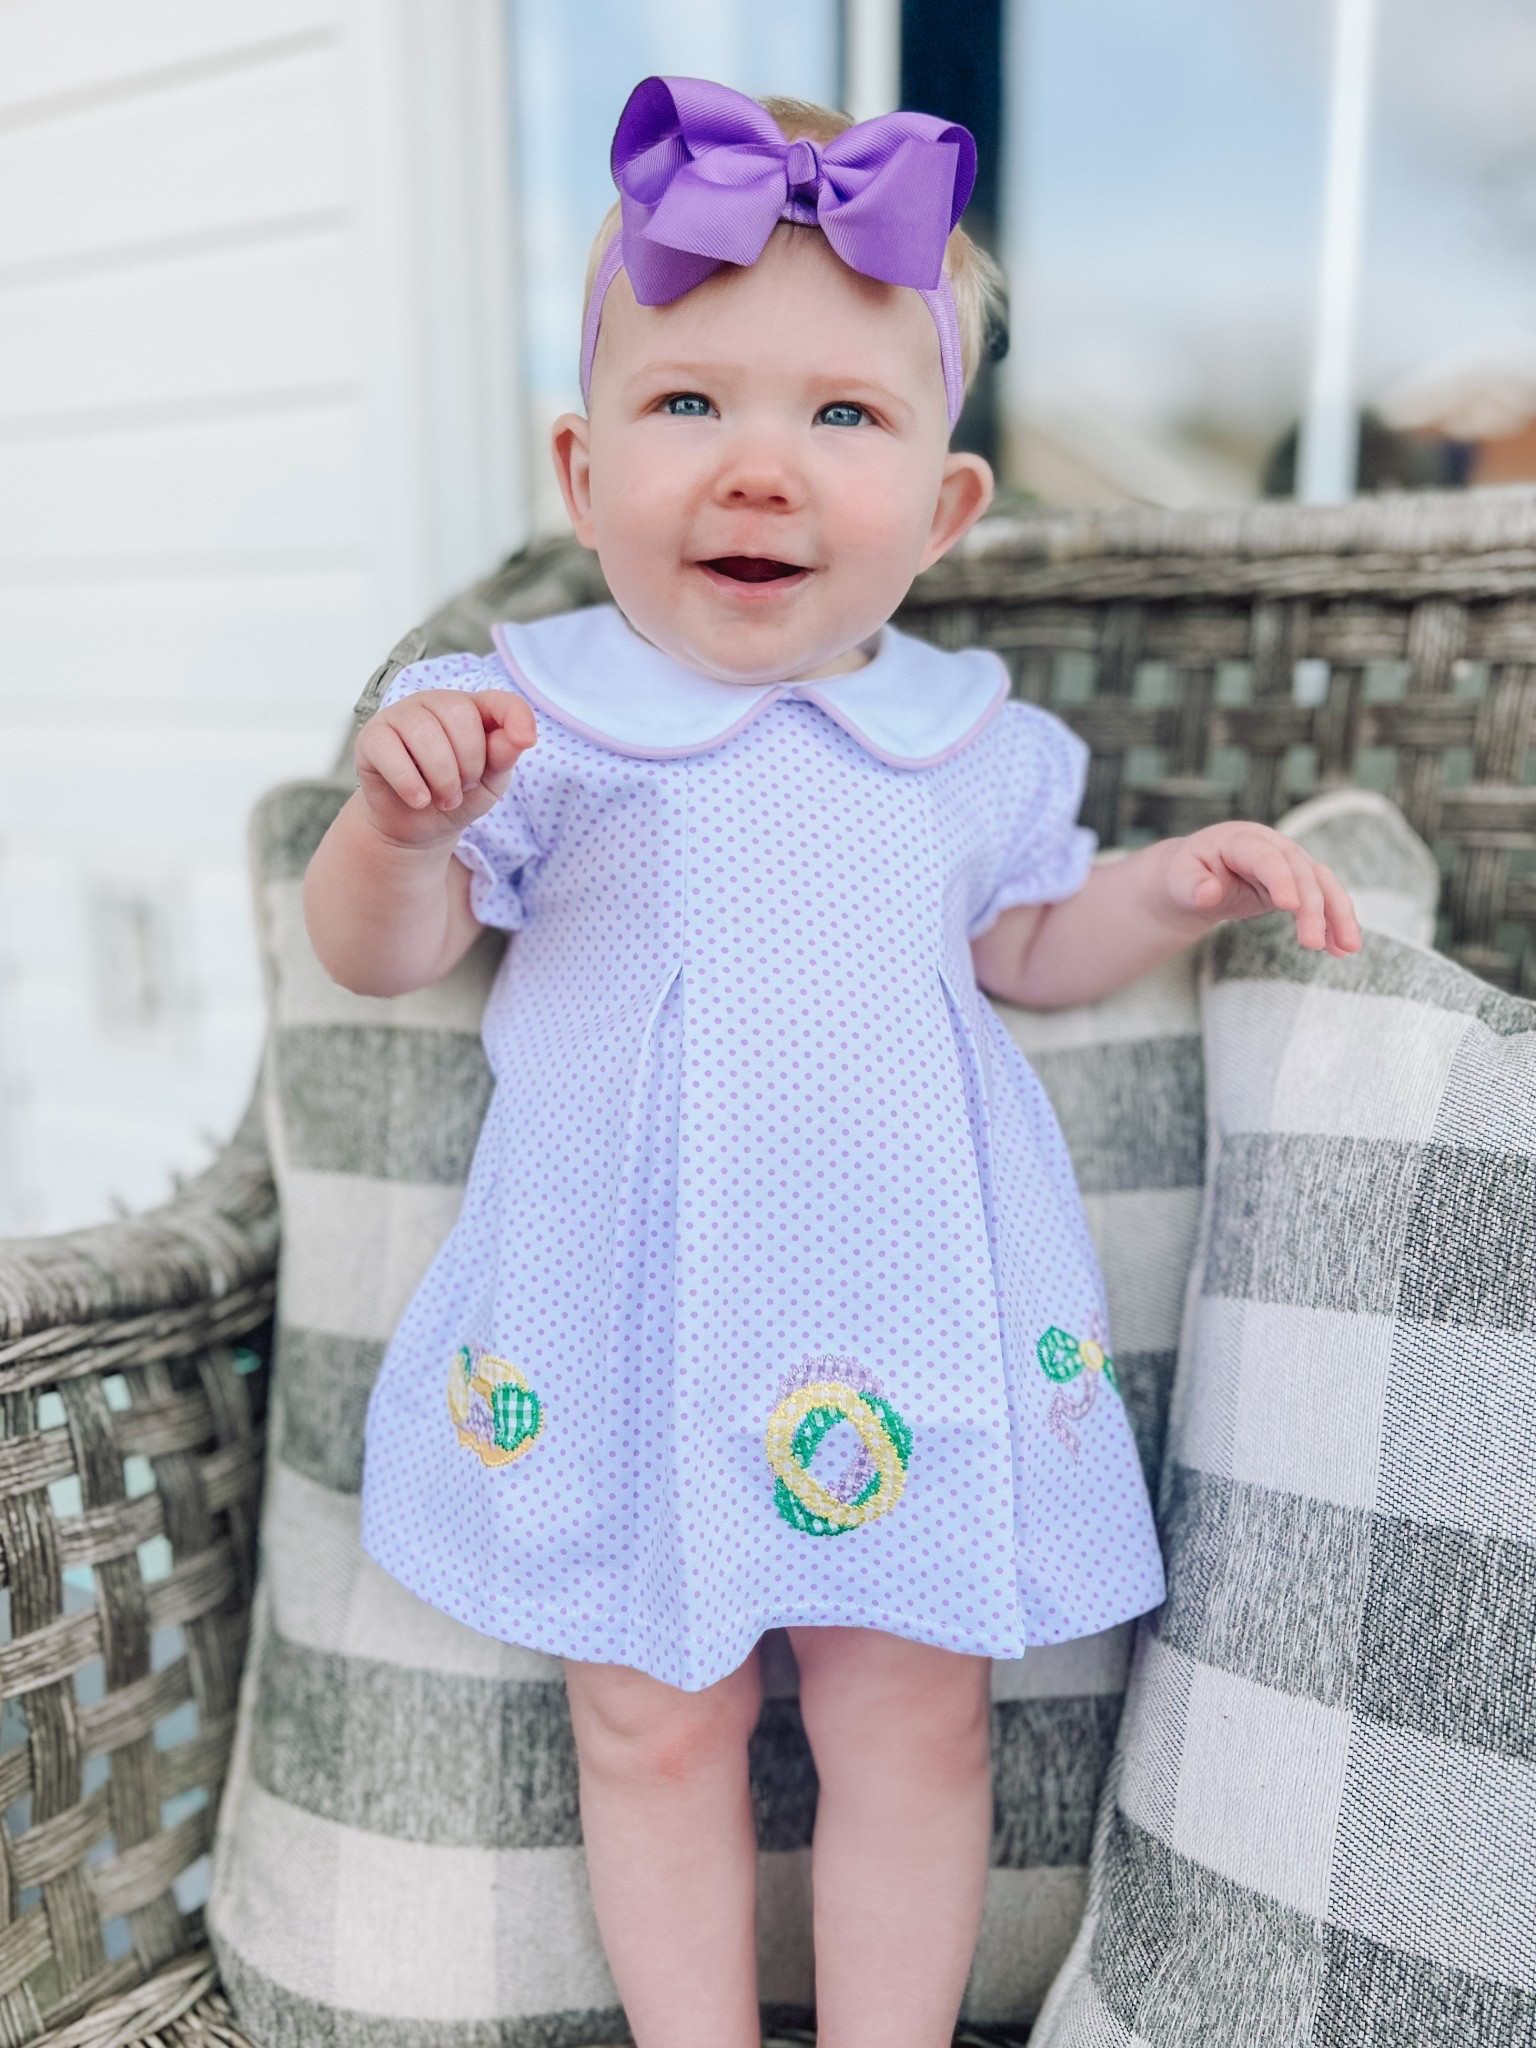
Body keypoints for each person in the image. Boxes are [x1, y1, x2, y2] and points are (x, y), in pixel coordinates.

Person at [303, 76, 1360, 2048]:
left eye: (844, 416)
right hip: (630, 1317)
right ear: (582, 462)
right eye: (689, 404)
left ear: (946, 507)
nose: (758, 470)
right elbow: (389, 959)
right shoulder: (523, 719)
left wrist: (1168, 888)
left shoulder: (973, 741)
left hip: (906, 1321)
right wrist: (394, 832)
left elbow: (1029, 947)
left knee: (915, 1706)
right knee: (643, 1706)